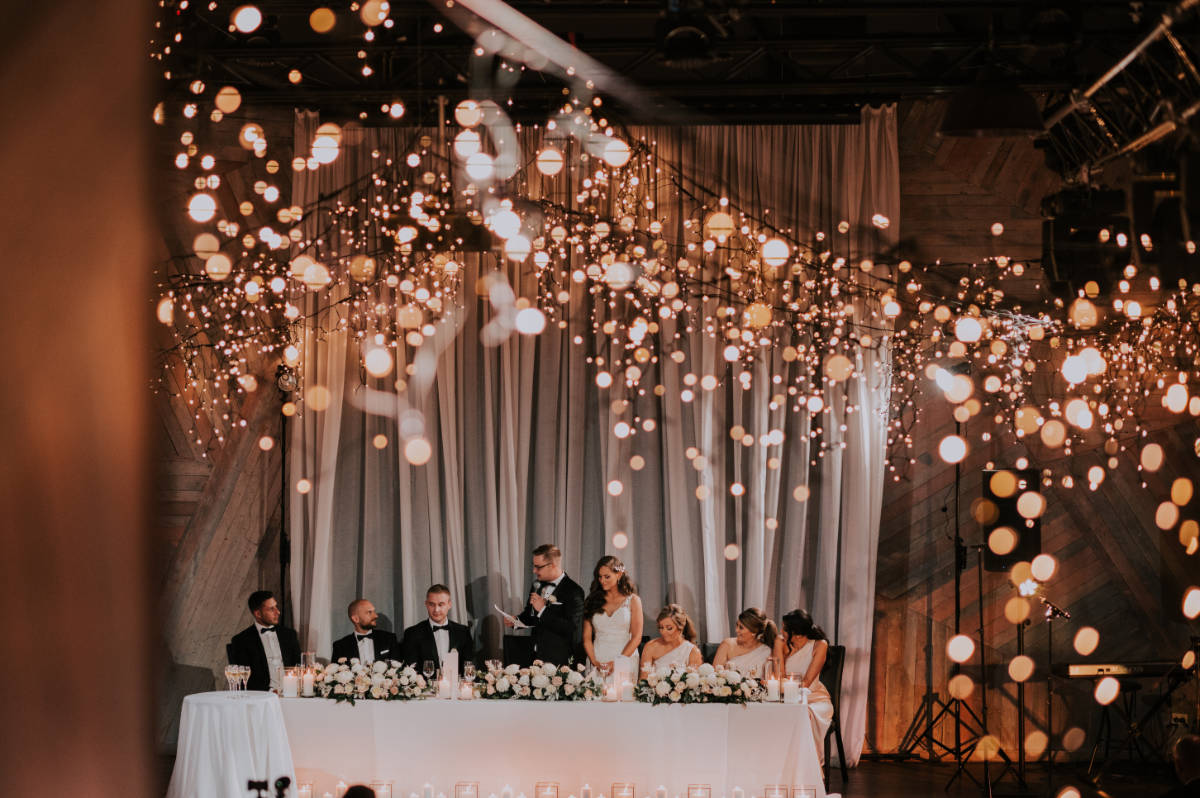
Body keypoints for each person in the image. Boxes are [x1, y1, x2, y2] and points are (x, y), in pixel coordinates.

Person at [507, 543, 585, 665]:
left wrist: (543, 610)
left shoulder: (573, 591)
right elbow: (530, 615)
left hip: (558, 660)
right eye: (534, 566)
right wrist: (516, 621)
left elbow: (570, 628)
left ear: (553, 565)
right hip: (534, 655)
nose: (534, 571)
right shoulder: (536, 585)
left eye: (538, 567)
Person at [775, 609, 835, 751]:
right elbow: (779, 676)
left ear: (795, 633)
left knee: (802, 714)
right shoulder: (780, 642)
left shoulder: (820, 645)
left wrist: (782, 686)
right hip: (785, 697)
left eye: (784, 628)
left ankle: (807, 765)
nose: (781, 631)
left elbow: (807, 682)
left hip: (814, 697)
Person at [581, 555, 643, 678]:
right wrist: (595, 662)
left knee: (623, 695)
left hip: (625, 657)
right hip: (598, 657)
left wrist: (617, 663)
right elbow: (587, 638)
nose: (602, 581)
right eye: (600, 577)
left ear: (619, 575)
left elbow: (636, 637)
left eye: (607, 576)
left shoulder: (633, 600)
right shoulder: (592, 600)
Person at [227, 590, 300, 691]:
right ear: (258, 614)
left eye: (276, 607)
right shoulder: (242, 640)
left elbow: (299, 666)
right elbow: (244, 679)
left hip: (291, 692)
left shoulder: (289, 635)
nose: (278, 612)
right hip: (263, 696)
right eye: (271, 609)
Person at [401, 584, 474, 674]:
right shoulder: (412, 633)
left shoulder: (463, 632)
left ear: (449, 605)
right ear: (426, 604)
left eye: (441, 604)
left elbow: (469, 666)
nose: (436, 610)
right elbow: (410, 670)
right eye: (432, 604)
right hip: (425, 687)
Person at [713, 606, 777, 678]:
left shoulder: (766, 651)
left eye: (741, 627)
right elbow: (715, 676)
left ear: (754, 632)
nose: (736, 630)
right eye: (737, 625)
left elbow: (768, 679)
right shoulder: (727, 644)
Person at [330, 598, 399, 664]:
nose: (376, 616)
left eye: (374, 611)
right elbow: (336, 674)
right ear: (356, 619)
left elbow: (398, 669)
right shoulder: (340, 646)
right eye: (369, 612)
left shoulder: (389, 639)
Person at [641, 604, 702, 669]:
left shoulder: (693, 651)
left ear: (680, 628)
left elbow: (694, 678)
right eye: (661, 627)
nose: (663, 632)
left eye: (669, 628)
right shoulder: (650, 647)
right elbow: (644, 678)